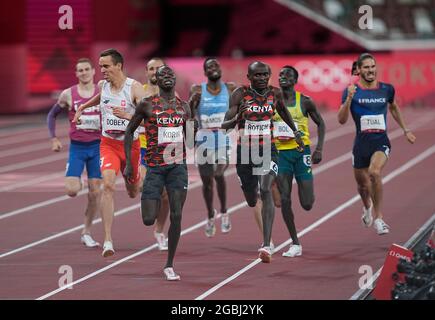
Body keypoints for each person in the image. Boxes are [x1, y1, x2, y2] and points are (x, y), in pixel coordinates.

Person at [222, 61, 304, 263]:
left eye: (265, 75)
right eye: (257, 75)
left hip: (268, 149)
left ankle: (266, 244)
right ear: (249, 77)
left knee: (266, 189)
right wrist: (237, 118)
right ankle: (252, 198)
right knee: (252, 198)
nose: (261, 78)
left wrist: (295, 133)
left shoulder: (274, 94)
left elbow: (283, 112)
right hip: (245, 154)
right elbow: (225, 126)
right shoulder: (239, 94)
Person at [73, 48, 146, 257]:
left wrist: (128, 115)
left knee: (134, 191)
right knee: (107, 185)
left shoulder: (135, 88)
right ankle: (108, 240)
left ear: (118, 66)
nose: (101, 70)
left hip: (130, 145)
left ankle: (140, 178)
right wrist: (82, 108)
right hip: (108, 144)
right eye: (100, 66)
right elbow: (100, 97)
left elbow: (149, 116)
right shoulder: (103, 85)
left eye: (105, 66)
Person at [124, 65, 191, 281]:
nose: (168, 78)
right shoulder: (147, 104)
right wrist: (129, 163)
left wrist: (194, 127)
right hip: (154, 167)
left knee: (177, 214)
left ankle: (170, 264)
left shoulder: (185, 107)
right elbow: (129, 130)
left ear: (175, 79)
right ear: (157, 79)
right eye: (163, 75)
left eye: (171, 75)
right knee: (148, 218)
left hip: (177, 167)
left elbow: (189, 141)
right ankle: (151, 212)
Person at [338, 53, 416, 235]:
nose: (371, 70)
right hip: (361, 145)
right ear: (358, 70)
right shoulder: (351, 91)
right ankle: (367, 208)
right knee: (363, 187)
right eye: (366, 67)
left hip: (381, 142)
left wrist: (406, 130)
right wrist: (348, 99)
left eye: (373, 66)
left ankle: (379, 218)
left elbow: (394, 107)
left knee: (374, 172)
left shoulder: (387, 89)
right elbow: (341, 120)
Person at [47, 57, 101, 248]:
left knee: (95, 193)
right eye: (80, 70)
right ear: (76, 73)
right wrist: (54, 138)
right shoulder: (68, 94)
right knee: (71, 190)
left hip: (97, 147)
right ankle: (78, 179)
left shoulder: (102, 92)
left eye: (87, 69)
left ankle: (86, 232)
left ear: (94, 71)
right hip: (78, 148)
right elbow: (52, 115)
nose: (84, 73)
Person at [273, 65, 325, 257]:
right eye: (280, 74)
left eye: (287, 75)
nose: (283, 77)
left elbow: (321, 123)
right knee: (285, 198)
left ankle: (306, 189)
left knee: (307, 203)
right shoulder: (272, 102)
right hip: (280, 154)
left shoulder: (304, 101)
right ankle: (295, 242)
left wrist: (318, 148)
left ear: (295, 80)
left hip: (301, 153)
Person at [189, 57, 236, 237]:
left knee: (218, 173)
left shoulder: (230, 88)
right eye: (209, 67)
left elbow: (240, 107)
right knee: (207, 182)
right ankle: (210, 215)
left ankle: (224, 211)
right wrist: (190, 138)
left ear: (220, 69)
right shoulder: (197, 90)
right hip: (204, 141)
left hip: (223, 140)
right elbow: (190, 115)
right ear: (205, 72)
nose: (213, 68)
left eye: (216, 65)